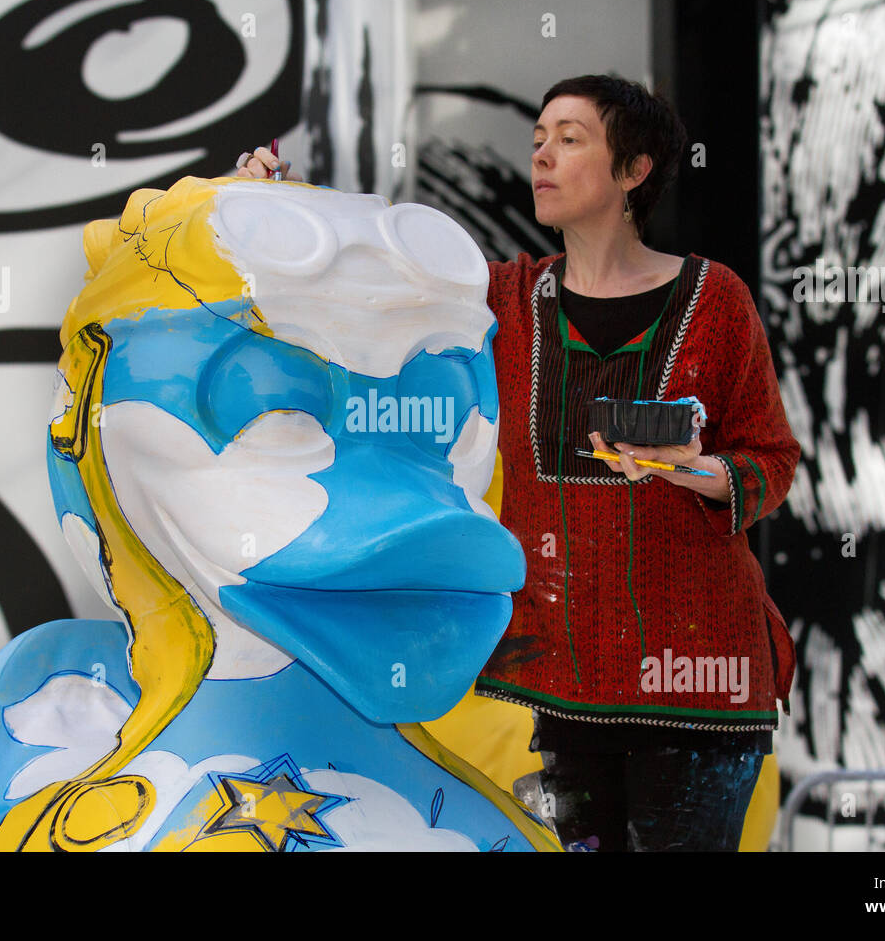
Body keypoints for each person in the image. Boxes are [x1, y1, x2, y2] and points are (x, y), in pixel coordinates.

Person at [235, 73, 799, 851]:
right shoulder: (503, 300)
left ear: (634, 170)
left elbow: (772, 459)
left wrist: (686, 469)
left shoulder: (717, 300)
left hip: (696, 684)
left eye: (570, 140)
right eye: (537, 140)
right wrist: (285, 201)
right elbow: (380, 266)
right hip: (566, 688)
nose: (543, 157)